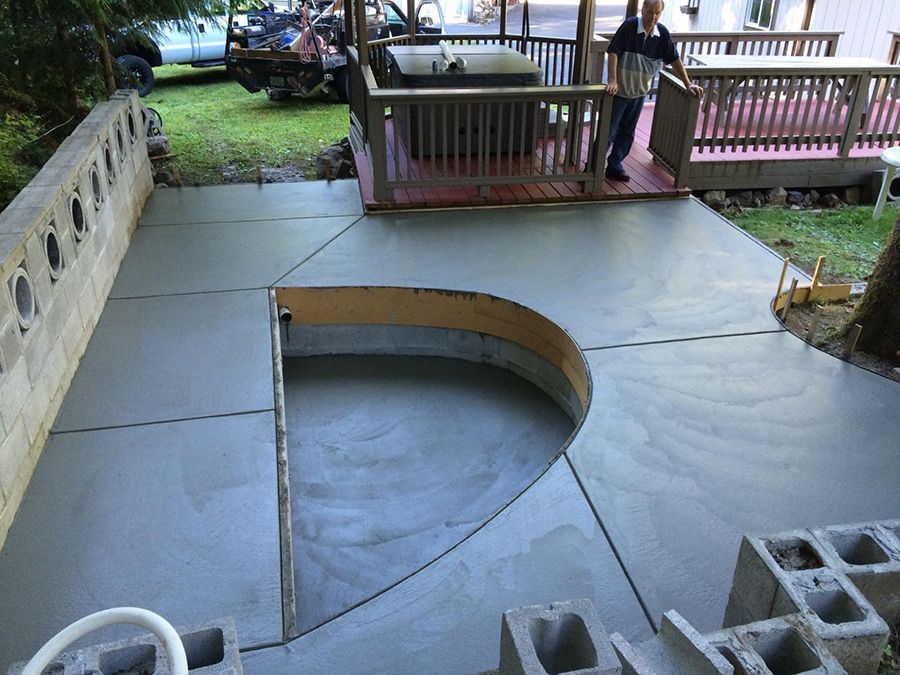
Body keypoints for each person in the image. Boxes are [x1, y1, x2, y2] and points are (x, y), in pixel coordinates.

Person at [605, 0, 702, 182]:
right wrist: (612, 79)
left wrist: (688, 83)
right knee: (608, 131)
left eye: (657, 13)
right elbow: (613, 51)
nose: (653, 17)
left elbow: (674, 59)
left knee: (627, 132)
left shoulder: (662, 34)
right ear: (643, 10)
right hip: (619, 93)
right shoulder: (629, 26)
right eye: (650, 12)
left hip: (640, 93)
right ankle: (592, 167)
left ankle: (614, 165)